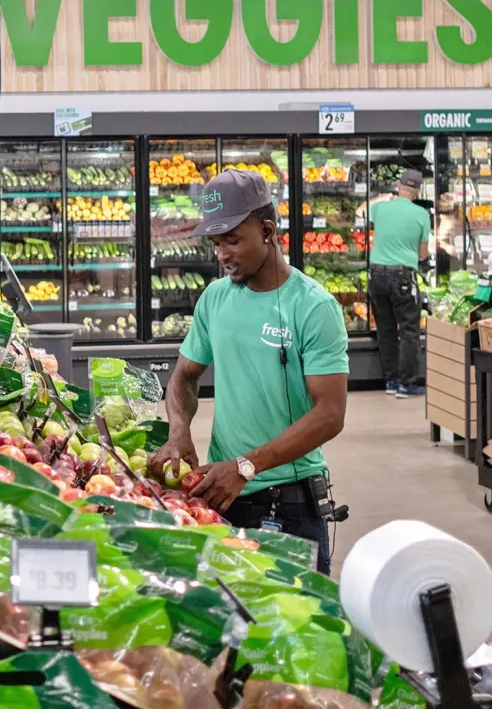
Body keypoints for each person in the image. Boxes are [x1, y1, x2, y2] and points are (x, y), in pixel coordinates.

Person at [148, 169, 348, 574]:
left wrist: (246, 465)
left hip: (288, 505)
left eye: (233, 240)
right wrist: (178, 431)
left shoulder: (313, 307)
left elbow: (330, 413)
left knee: (293, 611)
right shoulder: (215, 299)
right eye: (216, 243)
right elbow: (184, 376)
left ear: (268, 231)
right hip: (222, 495)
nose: (222, 255)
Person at [367, 169, 431, 398]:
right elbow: (423, 254)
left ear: (398, 185)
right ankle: (406, 384)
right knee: (408, 330)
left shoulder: (381, 208)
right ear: (418, 191)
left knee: (385, 330)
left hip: (376, 275)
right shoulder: (421, 214)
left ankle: (391, 381)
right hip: (403, 276)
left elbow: (359, 211)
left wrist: (382, 197)